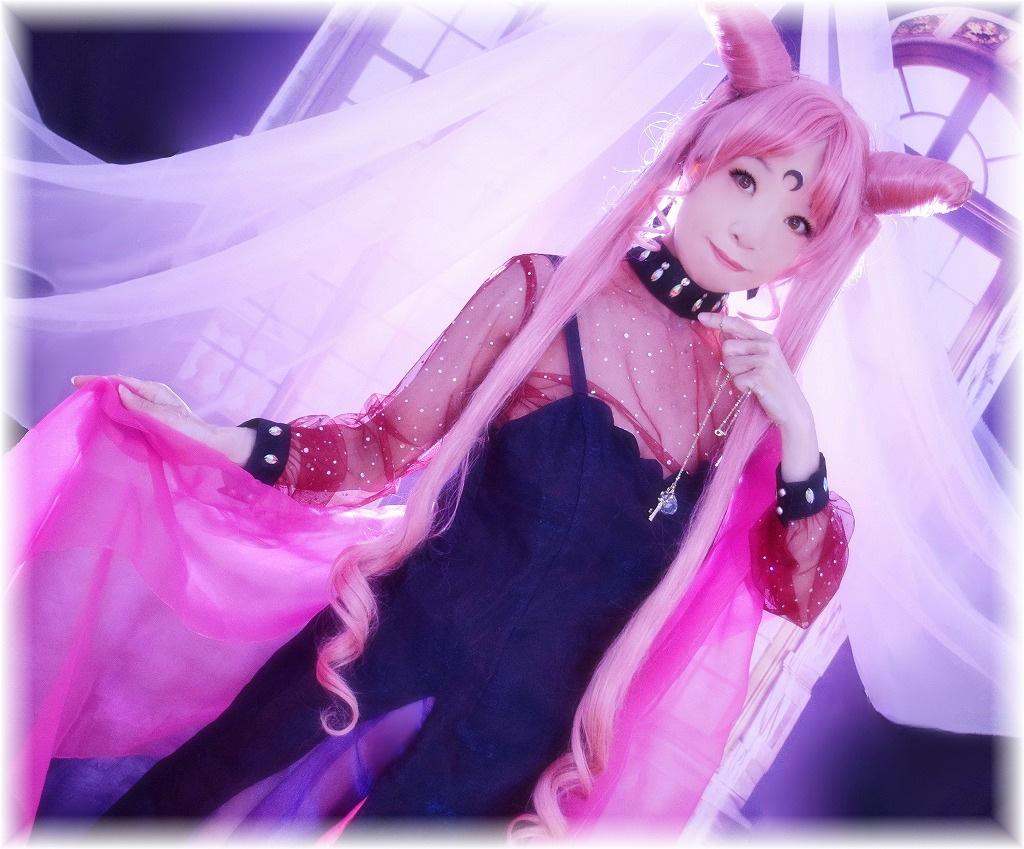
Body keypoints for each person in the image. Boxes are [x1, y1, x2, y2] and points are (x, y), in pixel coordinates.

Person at [15, 3, 972, 841]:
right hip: (380, 646)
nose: (754, 229)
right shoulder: (542, 294)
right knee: (197, 808)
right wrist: (215, 439)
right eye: (749, 179)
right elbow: (380, 445)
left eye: (800, 223)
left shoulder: (745, 411)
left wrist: (798, 433)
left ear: (811, 257)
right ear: (699, 158)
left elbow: (797, 592)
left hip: (516, 747)